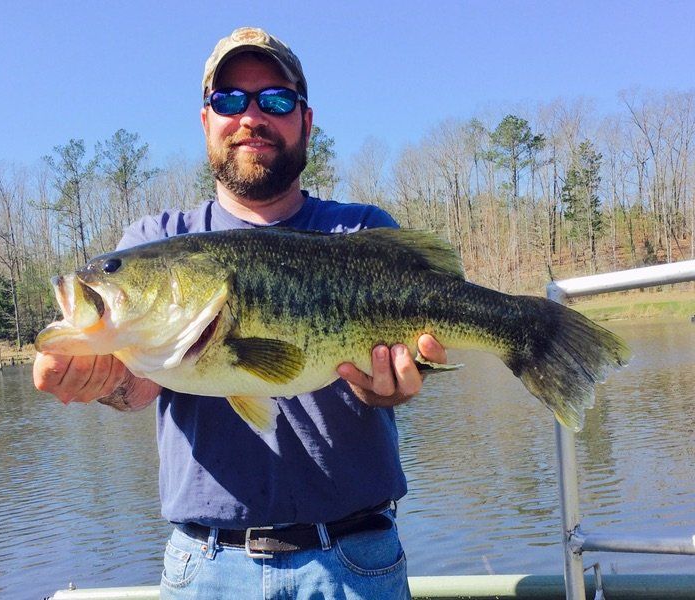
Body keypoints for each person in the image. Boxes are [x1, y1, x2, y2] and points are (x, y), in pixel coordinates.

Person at [34, 26, 447, 599]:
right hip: (206, 569)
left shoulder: (360, 232)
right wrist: (96, 378)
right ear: (206, 121)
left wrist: (400, 384)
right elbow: (136, 389)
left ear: (306, 120)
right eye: (229, 100)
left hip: (355, 561)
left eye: (276, 100)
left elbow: (408, 367)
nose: (251, 116)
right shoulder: (158, 237)